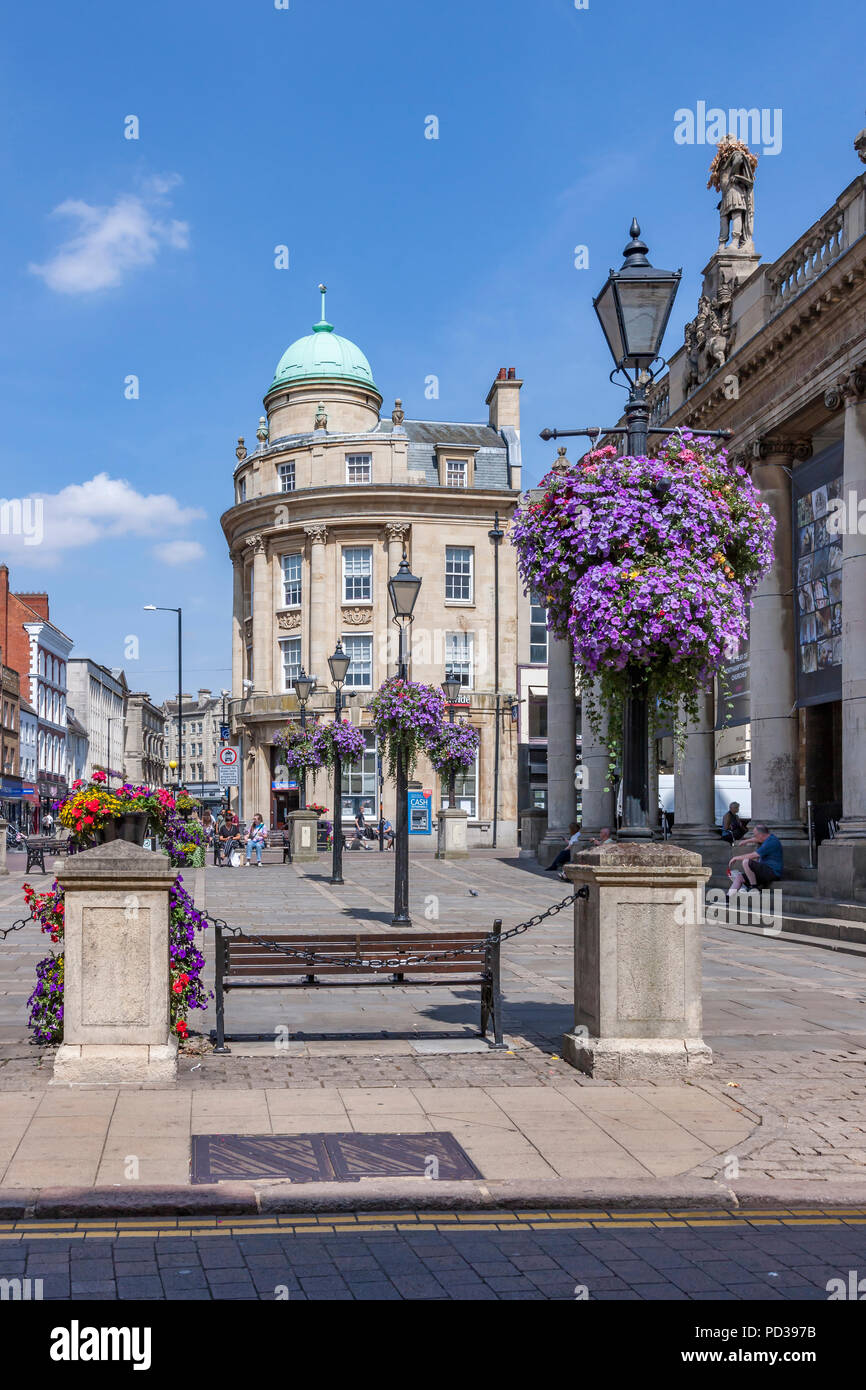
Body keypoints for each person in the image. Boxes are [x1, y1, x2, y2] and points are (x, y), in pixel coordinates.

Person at [728, 822, 783, 895]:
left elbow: (754, 855)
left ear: (761, 835)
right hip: (764, 872)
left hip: (772, 872)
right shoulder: (768, 838)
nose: (754, 837)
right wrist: (746, 841)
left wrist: (736, 857)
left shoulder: (771, 842)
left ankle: (754, 887)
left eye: (755, 835)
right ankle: (728, 898)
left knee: (746, 862)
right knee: (739, 877)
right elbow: (758, 839)